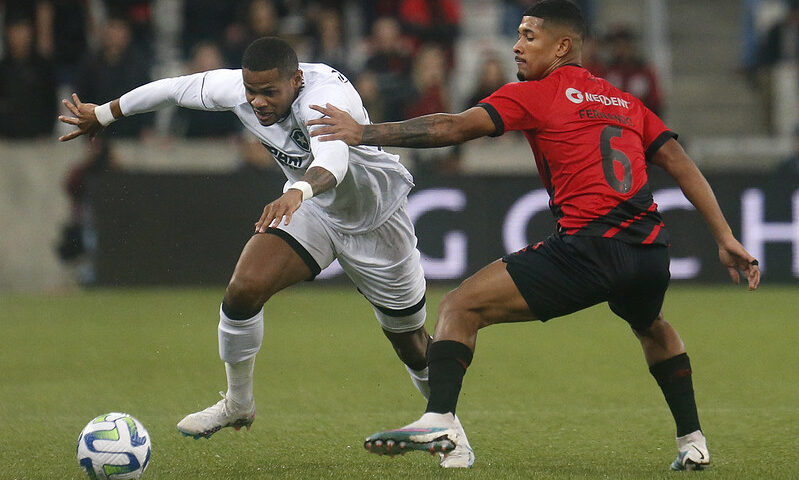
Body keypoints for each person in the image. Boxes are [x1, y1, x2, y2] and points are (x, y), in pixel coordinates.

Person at [307, 0, 761, 471]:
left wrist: (365, 132)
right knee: (652, 325)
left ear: (562, 46)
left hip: (588, 248)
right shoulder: (625, 102)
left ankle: (439, 418)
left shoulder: (538, 94)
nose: (517, 46)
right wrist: (725, 238)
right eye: (518, 34)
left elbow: (452, 126)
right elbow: (682, 165)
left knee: (460, 307)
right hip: (648, 252)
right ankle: (693, 441)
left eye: (529, 36)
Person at [57, 36, 474, 469]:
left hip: (377, 222)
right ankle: (238, 403)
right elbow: (173, 89)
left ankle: (449, 427)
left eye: (268, 92)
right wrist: (103, 113)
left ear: (295, 80)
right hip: (315, 212)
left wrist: (297, 190)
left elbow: (333, 162)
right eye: (251, 91)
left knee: (411, 344)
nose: (257, 102)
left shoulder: (326, 97)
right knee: (243, 289)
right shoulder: (239, 89)